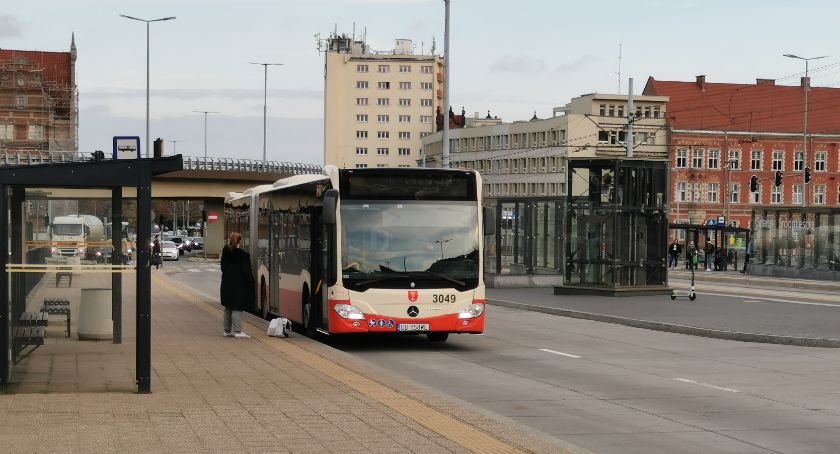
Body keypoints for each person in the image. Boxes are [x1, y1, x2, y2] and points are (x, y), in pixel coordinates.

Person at [220, 232, 255, 338]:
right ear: (240, 241)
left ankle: (227, 331)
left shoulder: (225, 252)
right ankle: (238, 332)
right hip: (238, 285)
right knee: (237, 308)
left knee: (228, 308)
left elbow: (223, 268)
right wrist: (251, 283)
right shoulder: (243, 255)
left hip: (226, 284)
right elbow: (247, 272)